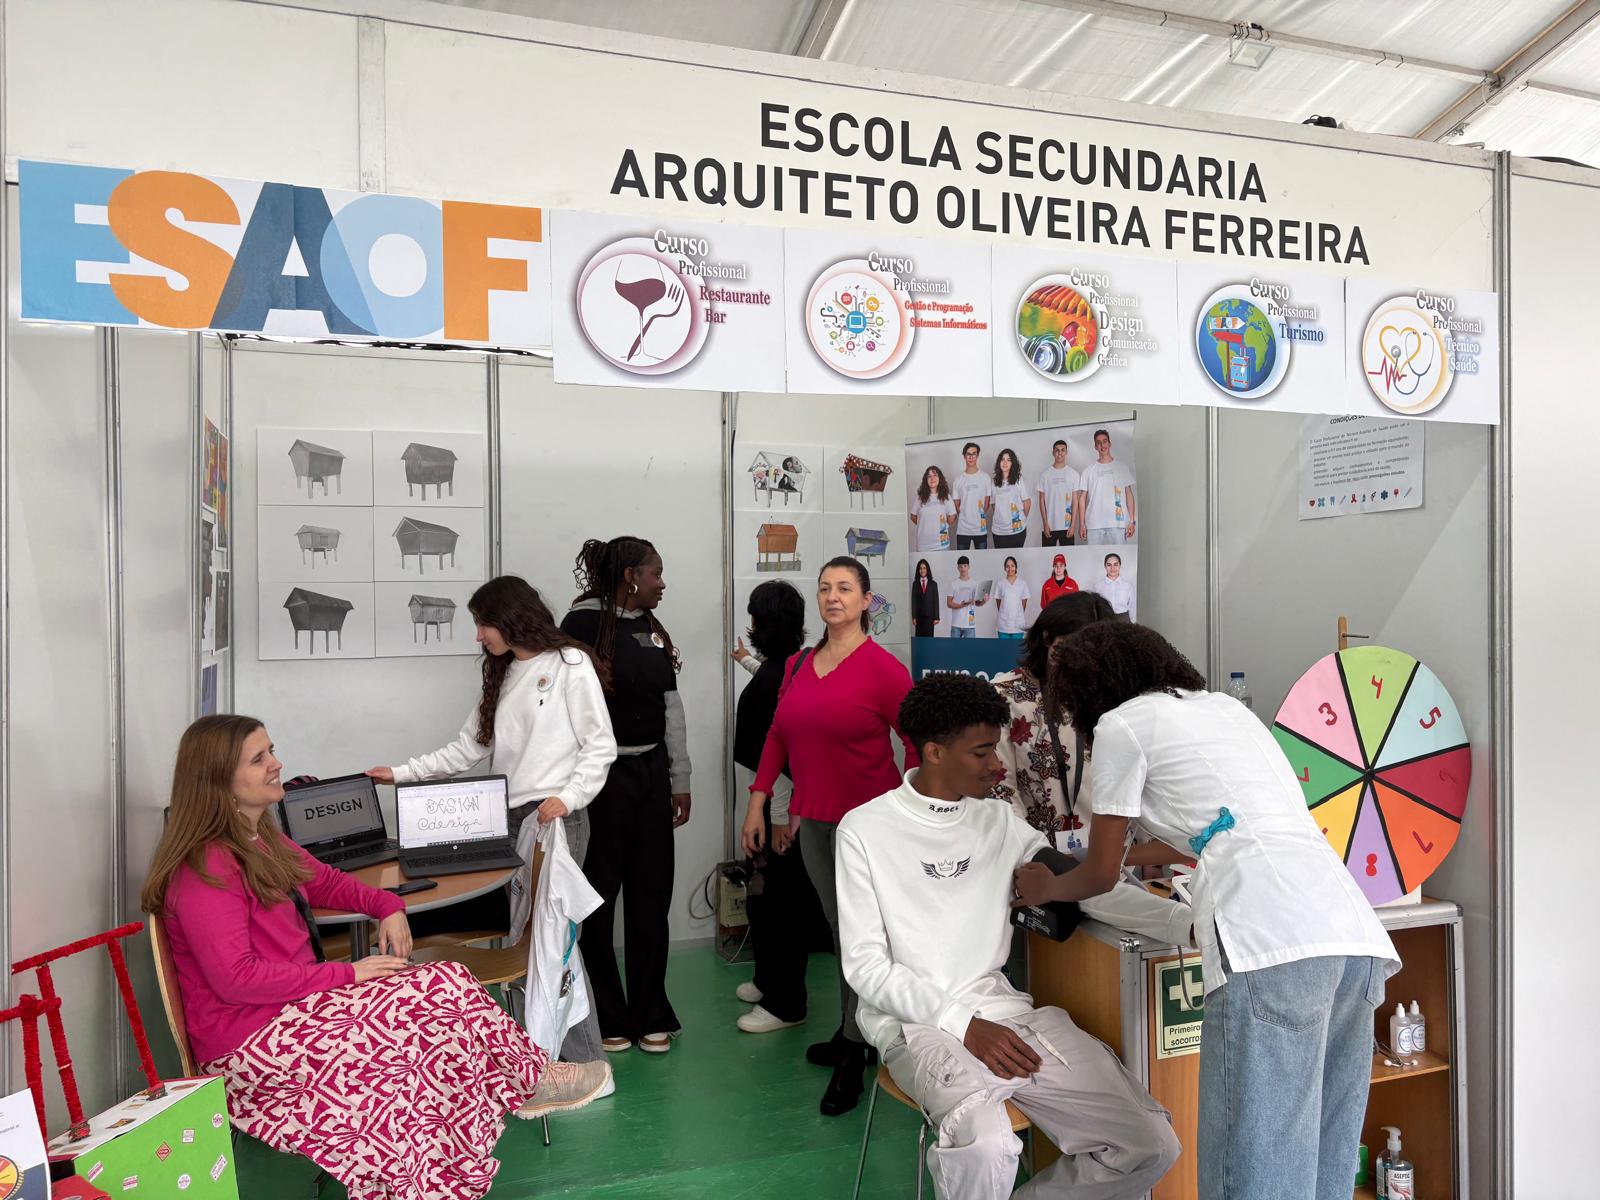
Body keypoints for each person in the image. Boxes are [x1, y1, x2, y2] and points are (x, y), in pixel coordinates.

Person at [142, 715, 609, 1200]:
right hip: (250, 1043)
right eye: (259, 759)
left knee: (446, 982)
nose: (276, 764)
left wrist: (388, 906)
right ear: (219, 778)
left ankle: (525, 1083)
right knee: (407, 1057)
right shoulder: (206, 866)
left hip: (291, 1009)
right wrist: (347, 973)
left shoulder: (257, 836)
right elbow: (237, 980)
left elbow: (326, 882)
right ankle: (446, 1160)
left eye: (271, 751)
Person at [1019, 623, 1399, 1200]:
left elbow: (1098, 874)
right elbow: (1206, 834)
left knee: (1252, 1167)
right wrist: (1108, 859)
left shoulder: (1122, 724)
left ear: (1089, 692)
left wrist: (1048, 884)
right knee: (1323, 1159)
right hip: (1351, 936)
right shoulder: (1227, 709)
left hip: (1270, 940)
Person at [837, 674, 1181, 1200]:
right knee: (986, 1144)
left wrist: (1187, 923)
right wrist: (963, 1024)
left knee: (1149, 1143)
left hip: (1007, 1015)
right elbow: (865, 966)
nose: (998, 764)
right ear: (934, 752)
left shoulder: (1000, 822)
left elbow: (1084, 888)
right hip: (917, 1026)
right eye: (981, 752)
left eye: (995, 748)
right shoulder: (864, 830)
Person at [367, 575, 615, 1064]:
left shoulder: (569, 664)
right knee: (524, 940)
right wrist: (400, 773)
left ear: (511, 618)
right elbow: (468, 748)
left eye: (483, 624)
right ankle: (537, 1057)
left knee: (555, 944)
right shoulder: (502, 672)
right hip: (510, 820)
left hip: (554, 820)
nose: (478, 635)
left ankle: (587, 1064)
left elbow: (600, 745)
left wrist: (568, 797)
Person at [749, 556, 918, 1115]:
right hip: (816, 821)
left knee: (857, 936)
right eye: (825, 588)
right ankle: (859, 1031)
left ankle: (852, 1045)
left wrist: (914, 808)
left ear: (867, 600)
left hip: (871, 826)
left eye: (845, 588)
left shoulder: (884, 670)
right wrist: (758, 803)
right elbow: (778, 736)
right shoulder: (799, 664)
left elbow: (914, 743)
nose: (833, 597)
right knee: (839, 931)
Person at [990, 593, 1194, 950]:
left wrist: (1142, 858)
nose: (1080, 664)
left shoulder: (1113, 697)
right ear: (1046, 639)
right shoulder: (1005, 696)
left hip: (1110, 867)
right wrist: (1037, 856)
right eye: (1069, 650)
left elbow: (1138, 783)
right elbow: (1000, 790)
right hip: (1034, 869)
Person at [561, 536, 691, 1055]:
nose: (663, 583)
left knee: (651, 899)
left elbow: (671, 708)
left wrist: (680, 777)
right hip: (600, 781)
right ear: (631, 575)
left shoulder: (651, 628)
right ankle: (609, 1016)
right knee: (597, 900)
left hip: (652, 774)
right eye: (655, 573)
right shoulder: (580, 627)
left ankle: (651, 1012)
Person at [732, 580, 830, 1036]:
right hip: (781, 808)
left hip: (783, 813)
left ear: (758, 622)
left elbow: (784, 762)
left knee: (782, 906)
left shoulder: (779, 678)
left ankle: (786, 1004)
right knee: (768, 900)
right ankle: (767, 979)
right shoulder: (792, 667)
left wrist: (775, 822)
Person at [1081, 428, 1136, 544]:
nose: (1102, 445)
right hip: (1094, 523)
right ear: (1095, 446)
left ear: (1110, 443)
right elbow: (1082, 498)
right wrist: (1082, 523)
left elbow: (1129, 494)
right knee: (1093, 555)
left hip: (1117, 522)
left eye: (1105, 441)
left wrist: (1132, 521)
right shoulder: (1088, 470)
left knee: (1119, 554)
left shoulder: (1122, 468)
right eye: (1098, 443)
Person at [1037, 439, 1082, 547]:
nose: (1060, 453)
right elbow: (1041, 501)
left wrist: (1073, 525)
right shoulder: (1045, 475)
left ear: (1066, 452)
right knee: (1047, 556)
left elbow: (1075, 501)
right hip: (1049, 527)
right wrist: (1045, 524)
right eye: (1057, 450)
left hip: (1067, 527)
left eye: (1062, 450)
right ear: (1053, 452)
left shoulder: (1074, 474)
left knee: (1068, 556)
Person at [952, 441, 993, 550]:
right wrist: (966, 515)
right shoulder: (958, 480)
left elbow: (987, 504)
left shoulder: (985, 477)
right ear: (964, 456)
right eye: (968, 454)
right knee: (962, 559)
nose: (971, 457)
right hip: (963, 529)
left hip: (980, 529)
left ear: (977, 456)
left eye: (974, 454)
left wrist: (978, 516)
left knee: (982, 558)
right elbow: (957, 506)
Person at [990, 447, 1031, 548]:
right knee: (1001, 557)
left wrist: (1021, 518)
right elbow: (994, 505)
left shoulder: (1018, 479)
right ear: (999, 462)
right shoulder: (994, 482)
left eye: (1008, 460)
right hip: (998, 531)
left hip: (1017, 530)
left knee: (1016, 557)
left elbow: (1027, 502)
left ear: (1013, 463)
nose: (1005, 463)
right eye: (1002, 459)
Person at [911, 465, 957, 552]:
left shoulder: (946, 497)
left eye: (935, 475)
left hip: (941, 545)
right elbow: (913, 516)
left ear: (940, 478)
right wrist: (925, 524)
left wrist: (940, 525)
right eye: (929, 476)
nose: (932, 478)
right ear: (926, 480)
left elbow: (952, 516)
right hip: (923, 545)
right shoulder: (920, 498)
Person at [945, 554, 987, 638]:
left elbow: (977, 603)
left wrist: (984, 601)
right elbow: (949, 603)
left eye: (965, 566)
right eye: (960, 567)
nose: (963, 569)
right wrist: (960, 605)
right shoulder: (953, 584)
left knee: (970, 647)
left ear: (968, 567)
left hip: (970, 624)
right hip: (956, 624)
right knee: (954, 646)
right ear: (958, 568)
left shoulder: (975, 584)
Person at [994, 555, 1029, 640]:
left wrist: (1017, 613)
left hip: (1018, 624)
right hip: (1003, 624)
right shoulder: (1000, 583)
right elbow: (998, 602)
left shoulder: (1022, 583)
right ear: (1004, 568)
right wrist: (1005, 612)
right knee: (1003, 647)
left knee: (1016, 648)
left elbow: (1024, 602)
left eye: (1012, 566)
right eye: (1007, 566)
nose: (1010, 569)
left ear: (1016, 567)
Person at [1095, 552, 1136, 622]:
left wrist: (1132, 622)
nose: (1112, 568)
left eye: (1115, 564)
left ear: (1120, 565)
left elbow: (1133, 606)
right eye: (1109, 565)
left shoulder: (1128, 586)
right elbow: (1096, 607)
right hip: (1105, 620)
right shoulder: (1098, 586)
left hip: (1123, 620)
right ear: (1105, 566)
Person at [911, 558, 942, 637]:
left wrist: (936, 617)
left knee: (929, 639)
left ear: (927, 569)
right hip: (919, 617)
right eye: (920, 568)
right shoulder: (915, 584)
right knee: (919, 639)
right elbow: (913, 601)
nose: (922, 570)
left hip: (930, 617)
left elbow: (936, 601)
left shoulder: (933, 584)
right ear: (918, 570)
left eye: (924, 568)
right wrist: (914, 617)